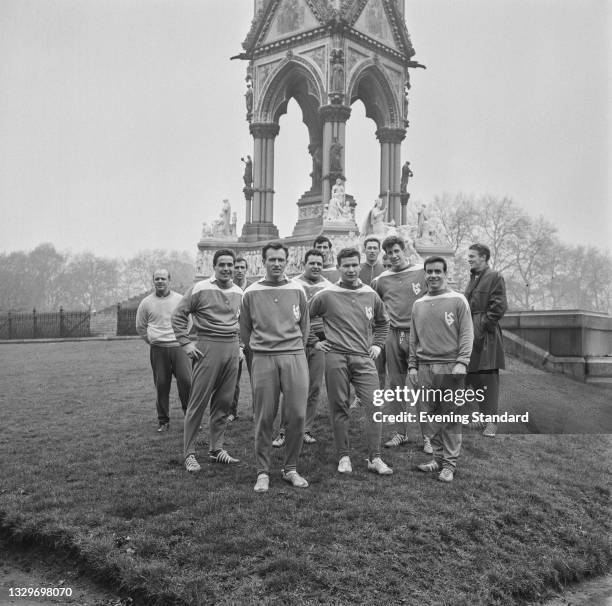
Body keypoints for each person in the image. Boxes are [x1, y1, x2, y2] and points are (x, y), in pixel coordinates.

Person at [309, 247, 393, 476]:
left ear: (360, 265)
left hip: (364, 358)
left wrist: (377, 344)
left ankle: (374, 458)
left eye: (355, 265)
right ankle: (343, 456)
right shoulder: (325, 295)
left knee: (375, 406)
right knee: (340, 407)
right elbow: (304, 318)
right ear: (338, 268)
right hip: (335, 356)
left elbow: (383, 322)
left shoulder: (370, 294)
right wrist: (314, 341)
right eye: (346, 265)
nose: (351, 269)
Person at [240, 241, 310, 492]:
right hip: (263, 357)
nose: (277, 264)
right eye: (272, 260)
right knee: (264, 416)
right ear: (264, 261)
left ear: (287, 261)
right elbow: (245, 330)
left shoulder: (298, 289)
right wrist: (259, 354)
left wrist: (294, 349)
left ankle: (290, 468)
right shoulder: (251, 291)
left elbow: (305, 327)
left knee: (297, 414)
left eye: (281, 260)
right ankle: (262, 472)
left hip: (293, 355)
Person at [171, 249, 243, 472]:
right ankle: (189, 453)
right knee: (198, 402)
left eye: (230, 264)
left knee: (223, 403)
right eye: (222, 264)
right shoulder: (200, 288)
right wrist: (186, 343)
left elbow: (245, 323)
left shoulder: (240, 292)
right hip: (207, 347)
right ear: (214, 266)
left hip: (231, 349)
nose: (226, 268)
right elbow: (178, 315)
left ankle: (216, 449)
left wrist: (240, 346)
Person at [408, 256, 473, 483]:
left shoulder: (458, 300)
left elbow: (467, 333)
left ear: (445, 274)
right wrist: (412, 366)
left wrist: (462, 361)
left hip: (450, 367)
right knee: (430, 415)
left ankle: (449, 464)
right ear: (424, 274)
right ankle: (436, 457)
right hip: (425, 367)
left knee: (451, 416)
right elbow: (413, 338)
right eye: (429, 271)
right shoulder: (418, 304)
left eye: (438, 271)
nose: (433, 275)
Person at [372, 235, 428, 451]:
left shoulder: (421, 272)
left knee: (422, 386)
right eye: (389, 253)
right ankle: (400, 432)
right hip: (393, 336)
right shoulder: (380, 280)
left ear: (404, 250)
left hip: (418, 336)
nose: (393, 256)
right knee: (396, 386)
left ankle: (428, 437)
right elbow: (372, 307)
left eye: (397, 251)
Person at [273, 249, 331, 447]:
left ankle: (305, 429)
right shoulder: (293, 284)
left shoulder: (329, 287)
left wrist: (319, 340)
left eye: (319, 263)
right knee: (291, 387)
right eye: (312, 262)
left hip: (319, 343)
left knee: (313, 387)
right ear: (303, 264)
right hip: (295, 340)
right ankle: (283, 431)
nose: (316, 266)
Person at [136, 269, 191, 432]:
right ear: (153, 281)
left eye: (163, 278)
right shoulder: (146, 302)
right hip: (158, 349)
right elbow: (140, 326)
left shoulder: (180, 299)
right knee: (161, 385)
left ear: (169, 280)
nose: (160, 281)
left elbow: (188, 321)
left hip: (178, 347)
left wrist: (181, 338)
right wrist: (152, 339)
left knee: (186, 382)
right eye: (157, 279)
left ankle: (190, 417)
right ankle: (163, 421)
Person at [464, 243, 508, 437]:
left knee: (488, 379)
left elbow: (499, 306)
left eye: (472, 256)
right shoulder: (473, 277)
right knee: (472, 376)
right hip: (470, 334)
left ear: (483, 257)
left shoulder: (495, 276)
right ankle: (481, 419)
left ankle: (492, 424)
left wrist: (483, 326)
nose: (469, 259)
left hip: (486, 337)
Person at [227, 257, 251, 422]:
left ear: (246, 269)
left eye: (242, 267)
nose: (239, 270)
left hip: (253, 339)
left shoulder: (252, 288)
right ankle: (231, 411)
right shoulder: (228, 289)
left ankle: (258, 411)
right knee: (232, 379)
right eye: (237, 267)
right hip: (234, 340)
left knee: (257, 377)